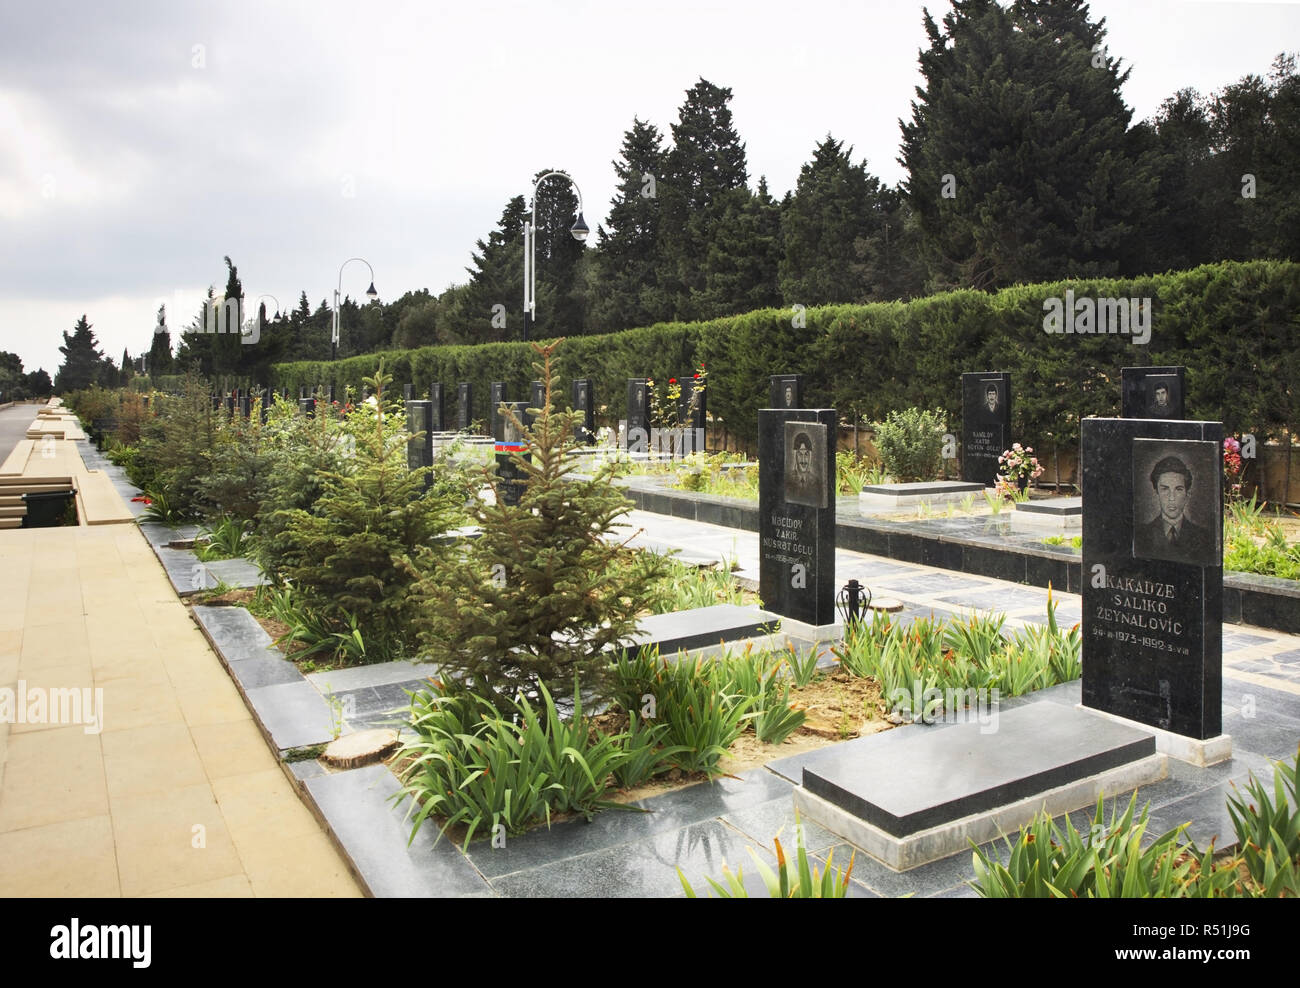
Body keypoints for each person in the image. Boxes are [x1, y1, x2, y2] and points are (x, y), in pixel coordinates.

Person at [1134, 455, 1214, 564]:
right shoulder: (1141, 535)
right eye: (1165, 489)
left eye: (1178, 489)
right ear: (1156, 492)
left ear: (1187, 495)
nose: (1172, 498)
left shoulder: (1205, 538)